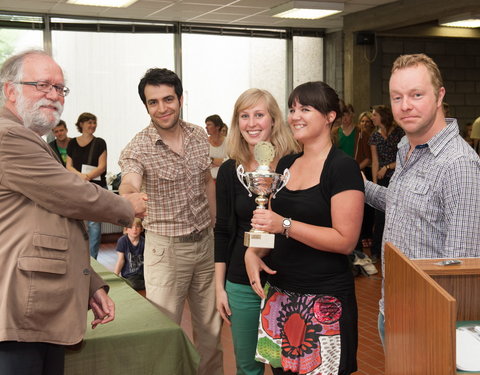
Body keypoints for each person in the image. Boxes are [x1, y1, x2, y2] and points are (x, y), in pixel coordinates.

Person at [0, 49, 147, 375]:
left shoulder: (30, 138)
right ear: (10, 90)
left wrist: (90, 283)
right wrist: (127, 206)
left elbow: (51, 222)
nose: (54, 95)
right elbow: (69, 194)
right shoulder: (8, 135)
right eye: (42, 85)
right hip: (22, 308)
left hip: (38, 305)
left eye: (60, 88)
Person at [245, 81, 364, 375]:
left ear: (330, 116)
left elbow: (345, 241)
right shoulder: (286, 163)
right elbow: (269, 219)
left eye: (306, 109)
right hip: (282, 297)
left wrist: (284, 225)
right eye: (292, 108)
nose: (295, 116)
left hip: (324, 301)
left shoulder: (342, 167)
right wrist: (252, 251)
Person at [364, 53, 480, 346]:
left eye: (417, 95)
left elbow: (459, 271)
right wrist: (360, 186)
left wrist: (439, 335)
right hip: (391, 311)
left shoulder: (459, 164)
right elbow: (405, 206)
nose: (406, 106)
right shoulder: (407, 146)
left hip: (428, 324)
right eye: (397, 97)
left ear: (440, 95)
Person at [118, 68, 223, 375]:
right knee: (164, 333)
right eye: (153, 102)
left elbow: (207, 182)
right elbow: (129, 182)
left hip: (205, 245)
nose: (162, 108)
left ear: (180, 98)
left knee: (211, 333)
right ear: (146, 106)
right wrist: (128, 196)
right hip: (166, 252)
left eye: (168, 99)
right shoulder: (138, 147)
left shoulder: (197, 136)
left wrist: (214, 225)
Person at [215, 88, 300, 375]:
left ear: (273, 120)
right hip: (240, 282)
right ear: (237, 123)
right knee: (247, 368)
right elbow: (223, 231)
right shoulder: (230, 170)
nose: (252, 123)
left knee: (283, 367)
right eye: (244, 116)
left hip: (285, 279)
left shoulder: (293, 166)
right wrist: (220, 287)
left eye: (259, 115)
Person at [66, 112, 107, 259]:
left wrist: (88, 176)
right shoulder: (72, 143)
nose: (93, 125)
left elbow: (102, 167)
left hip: (95, 187)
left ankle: (92, 259)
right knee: (76, 223)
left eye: (94, 122)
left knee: (94, 224)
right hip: (77, 186)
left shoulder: (100, 142)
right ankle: (77, 257)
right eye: (89, 122)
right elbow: (68, 166)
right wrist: (81, 176)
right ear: (81, 124)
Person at [368, 105, 404, 262]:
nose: (372, 117)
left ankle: (397, 252)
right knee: (380, 217)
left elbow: (405, 157)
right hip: (382, 179)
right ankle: (376, 252)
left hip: (397, 177)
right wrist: (375, 184)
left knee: (397, 216)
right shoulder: (374, 137)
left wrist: (387, 167)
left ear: (383, 116)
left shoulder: (399, 133)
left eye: (374, 115)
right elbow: (374, 161)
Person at [114, 217, 145, 290]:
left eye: (137, 226)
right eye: (131, 227)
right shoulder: (122, 241)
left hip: (142, 273)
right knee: (133, 284)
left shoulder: (144, 241)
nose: (134, 229)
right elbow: (121, 260)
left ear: (141, 229)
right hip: (129, 275)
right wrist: (115, 276)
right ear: (126, 230)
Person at [205, 114, 227, 179]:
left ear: (217, 126)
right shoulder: (204, 142)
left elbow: (230, 163)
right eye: (206, 125)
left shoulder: (229, 142)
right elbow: (203, 162)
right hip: (209, 180)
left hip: (225, 180)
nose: (206, 127)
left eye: (209, 124)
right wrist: (220, 160)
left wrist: (211, 159)